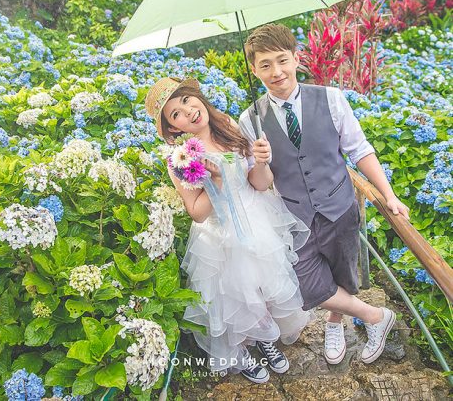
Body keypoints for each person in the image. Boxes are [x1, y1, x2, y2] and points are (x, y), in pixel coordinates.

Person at [239, 23, 410, 366]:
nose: (276, 71)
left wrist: (388, 195)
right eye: (265, 65)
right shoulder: (250, 119)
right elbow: (260, 183)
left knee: (344, 274)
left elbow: (359, 151)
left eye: (282, 60)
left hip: (339, 204)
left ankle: (336, 322)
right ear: (255, 70)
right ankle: (377, 317)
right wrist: (259, 161)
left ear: (296, 58)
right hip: (293, 216)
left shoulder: (331, 98)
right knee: (307, 286)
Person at [145, 77, 312, 384]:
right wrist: (216, 182)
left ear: (195, 96)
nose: (188, 111)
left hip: (256, 216)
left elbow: (259, 183)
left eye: (185, 100)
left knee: (264, 285)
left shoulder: (229, 126)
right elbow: (196, 213)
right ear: (173, 129)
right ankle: (239, 353)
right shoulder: (179, 159)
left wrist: (262, 161)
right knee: (235, 296)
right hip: (218, 235)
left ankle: (265, 336)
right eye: (175, 114)